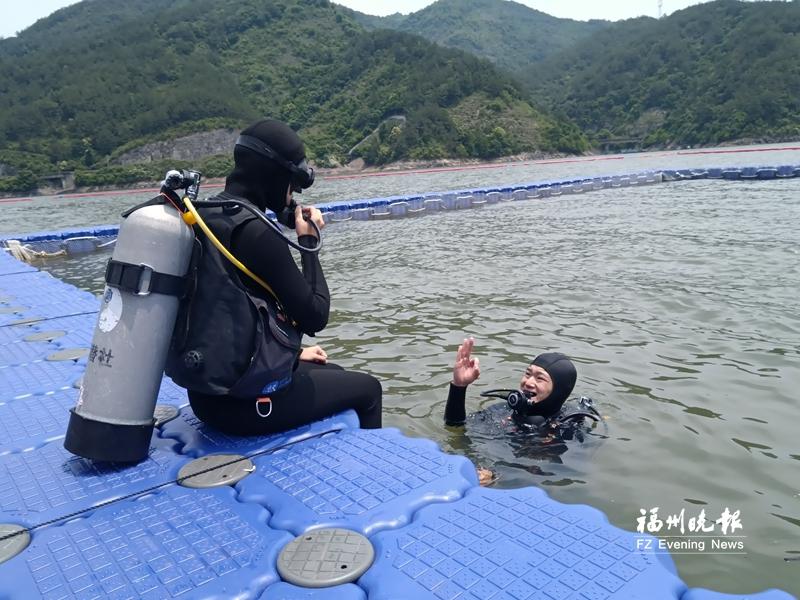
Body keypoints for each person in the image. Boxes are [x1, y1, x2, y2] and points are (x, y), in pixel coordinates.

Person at [169, 118, 382, 435]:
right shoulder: (256, 234)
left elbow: (227, 312)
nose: (293, 192)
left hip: (206, 394)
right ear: (275, 176)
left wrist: (295, 354)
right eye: (292, 183)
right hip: (245, 408)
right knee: (368, 390)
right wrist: (308, 241)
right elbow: (314, 316)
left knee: (333, 370)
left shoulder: (206, 214)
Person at [444, 337, 579, 429]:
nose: (528, 382)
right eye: (528, 373)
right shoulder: (502, 410)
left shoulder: (569, 427)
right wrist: (459, 387)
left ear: (558, 391)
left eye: (540, 378)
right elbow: (455, 427)